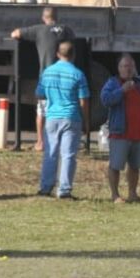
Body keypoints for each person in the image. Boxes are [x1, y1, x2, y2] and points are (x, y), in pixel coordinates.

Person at [11, 7, 75, 151]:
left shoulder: (39, 30)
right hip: (65, 78)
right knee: (64, 109)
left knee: (42, 111)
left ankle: (41, 143)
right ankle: (62, 141)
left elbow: (15, 34)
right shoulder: (67, 30)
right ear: (57, 17)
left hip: (46, 78)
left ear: (43, 18)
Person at [36, 41, 89, 199]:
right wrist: (86, 121)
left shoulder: (47, 72)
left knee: (50, 153)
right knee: (68, 155)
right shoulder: (78, 74)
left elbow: (39, 93)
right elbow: (84, 101)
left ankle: (46, 187)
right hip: (71, 117)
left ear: (58, 54)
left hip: (52, 117)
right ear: (73, 55)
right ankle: (64, 190)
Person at [100, 54, 140, 203]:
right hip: (120, 133)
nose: (128, 69)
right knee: (116, 165)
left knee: (135, 166)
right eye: (124, 66)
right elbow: (105, 100)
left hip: (137, 133)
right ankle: (115, 195)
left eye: (131, 66)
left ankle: (133, 193)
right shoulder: (113, 83)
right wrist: (122, 90)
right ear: (119, 68)